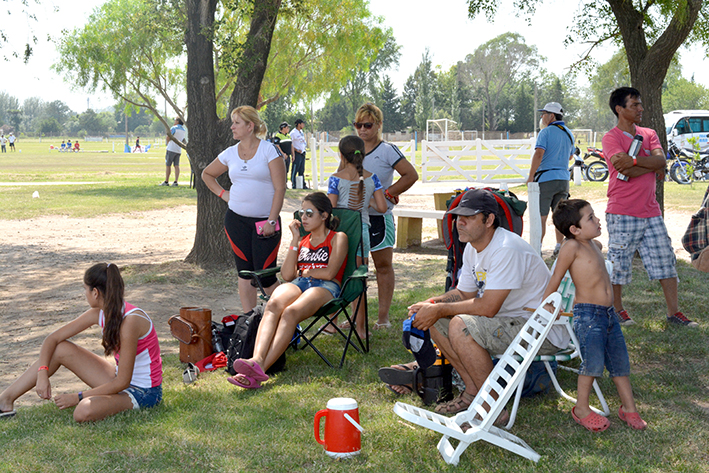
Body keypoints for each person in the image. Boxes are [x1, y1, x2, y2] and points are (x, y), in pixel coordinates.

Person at [399, 189, 569, 418]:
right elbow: (463, 293)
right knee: (432, 320)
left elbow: (488, 307)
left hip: (539, 329)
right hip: (511, 322)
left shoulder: (506, 248)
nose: (460, 223)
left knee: (461, 325)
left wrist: (440, 308)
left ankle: (493, 408)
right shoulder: (473, 246)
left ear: (489, 220)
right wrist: (431, 304)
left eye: (468, 217)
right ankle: (473, 393)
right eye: (458, 217)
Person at [0, 263, 163, 423]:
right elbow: (53, 339)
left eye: (85, 289)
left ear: (95, 292)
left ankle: (97, 401)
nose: (84, 293)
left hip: (144, 392)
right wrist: (42, 373)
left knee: (83, 410)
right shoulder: (100, 313)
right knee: (61, 348)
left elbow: (122, 382)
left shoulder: (131, 320)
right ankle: (5, 400)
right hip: (118, 380)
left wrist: (77, 397)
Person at [543, 199, 647, 431]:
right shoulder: (572, 247)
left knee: (620, 362)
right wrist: (548, 303)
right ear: (574, 229)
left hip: (608, 315)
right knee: (592, 364)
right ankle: (581, 408)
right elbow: (556, 277)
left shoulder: (595, 245)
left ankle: (629, 408)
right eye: (590, 217)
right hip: (588, 316)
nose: (597, 220)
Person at [228, 193, 348, 388]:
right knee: (273, 304)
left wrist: (306, 270)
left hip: (326, 287)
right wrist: (295, 240)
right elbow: (287, 275)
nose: (304, 218)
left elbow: (329, 272)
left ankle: (261, 370)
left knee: (291, 312)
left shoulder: (338, 238)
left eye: (309, 213)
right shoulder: (303, 241)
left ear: (324, 215)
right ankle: (256, 359)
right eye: (302, 213)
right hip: (300, 283)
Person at [602, 87, 696, 327]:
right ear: (619, 109)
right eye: (635, 105)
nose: (641, 109)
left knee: (666, 260)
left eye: (640, 104)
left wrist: (635, 160)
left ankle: (674, 313)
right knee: (618, 263)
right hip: (622, 211)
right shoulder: (611, 138)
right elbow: (624, 170)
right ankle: (617, 310)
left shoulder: (649, 133)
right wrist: (650, 165)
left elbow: (661, 160)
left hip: (651, 212)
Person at [202, 105, 286, 313]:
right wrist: (224, 194)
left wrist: (272, 221)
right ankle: (250, 320)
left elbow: (280, 188)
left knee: (265, 276)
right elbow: (207, 174)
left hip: (265, 222)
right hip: (236, 220)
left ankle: (287, 319)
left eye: (236, 123)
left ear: (250, 126)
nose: (232, 127)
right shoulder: (230, 153)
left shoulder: (269, 150)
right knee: (245, 273)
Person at [354, 102, 418, 329]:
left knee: (382, 266)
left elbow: (410, 175)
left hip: (380, 217)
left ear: (379, 125)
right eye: (358, 125)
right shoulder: (351, 149)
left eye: (368, 125)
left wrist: (389, 193)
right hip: (355, 218)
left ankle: (383, 318)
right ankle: (355, 318)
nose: (362, 130)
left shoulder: (387, 150)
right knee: (355, 268)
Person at [325, 135, 387, 338]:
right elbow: (382, 207)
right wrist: (365, 202)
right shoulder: (373, 177)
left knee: (336, 276)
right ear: (364, 153)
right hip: (362, 232)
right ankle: (361, 329)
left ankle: (331, 324)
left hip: (340, 233)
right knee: (358, 279)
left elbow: (331, 207)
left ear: (341, 154)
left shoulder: (336, 178)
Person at [527, 102, 575, 256]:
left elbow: (539, 154)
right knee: (559, 215)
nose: (542, 116)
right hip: (563, 179)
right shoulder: (569, 133)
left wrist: (531, 176)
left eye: (544, 113)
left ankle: (537, 247)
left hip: (546, 179)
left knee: (541, 216)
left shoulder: (545, 132)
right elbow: (570, 156)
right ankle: (559, 246)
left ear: (551, 116)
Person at [160, 118, 187, 187]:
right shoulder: (183, 130)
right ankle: (175, 181)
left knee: (168, 165)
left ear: (177, 121)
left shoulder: (174, 128)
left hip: (171, 148)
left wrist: (168, 143)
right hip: (178, 150)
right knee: (176, 166)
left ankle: (166, 181)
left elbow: (168, 137)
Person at [290, 118, 307, 188]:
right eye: (302, 124)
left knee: (301, 170)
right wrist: (296, 150)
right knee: (295, 169)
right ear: (299, 124)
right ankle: (294, 184)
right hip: (297, 153)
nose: (303, 125)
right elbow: (290, 143)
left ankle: (302, 184)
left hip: (302, 153)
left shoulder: (301, 132)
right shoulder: (293, 133)